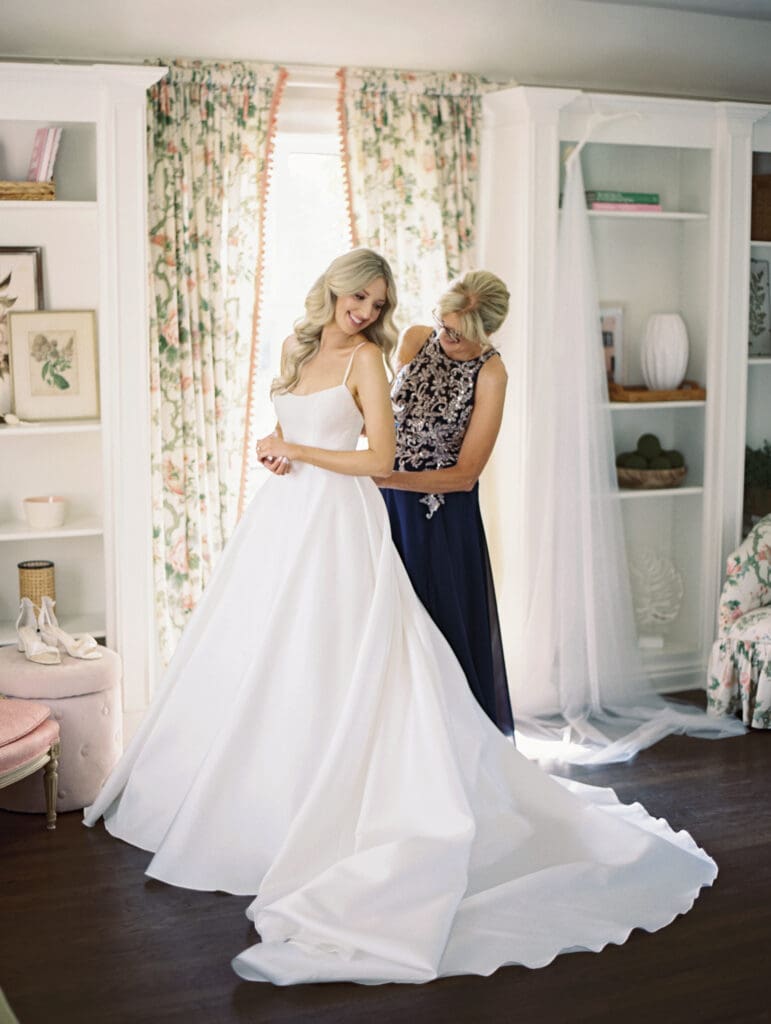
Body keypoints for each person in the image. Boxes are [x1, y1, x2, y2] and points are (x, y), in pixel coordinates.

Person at [84, 247, 718, 986]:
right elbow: (318, 429)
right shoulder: (321, 344)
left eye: (378, 306)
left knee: (402, 649)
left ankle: (432, 765)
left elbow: (440, 463)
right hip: (303, 513)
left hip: (425, 507)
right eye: (361, 301)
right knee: (277, 651)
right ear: (335, 290)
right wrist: (290, 455)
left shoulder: (455, 370)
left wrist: (318, 456)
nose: (371, 315)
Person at [376, 270, 514, 736]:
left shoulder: (491, 374)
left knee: (437, 638)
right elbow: (386, 425)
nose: (445, 336)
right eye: (443, 323)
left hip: (439, 521)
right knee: (384, 630)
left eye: (457, 333)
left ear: (485, 332)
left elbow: (465, 474)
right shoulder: (415, 340)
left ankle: (447, 752)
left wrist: (386, 475)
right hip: (385, 509)